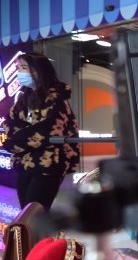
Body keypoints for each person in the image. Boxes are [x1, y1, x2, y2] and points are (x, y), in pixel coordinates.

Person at [1, 52, 80, 211]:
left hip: (48, 164)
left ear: (37, 71)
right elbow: (9, 124)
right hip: (24, 164)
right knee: (25, 213)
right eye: (18, 68)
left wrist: (17, 139)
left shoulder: (55, 98)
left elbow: (49, 131)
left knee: (35, 214)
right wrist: (24, 136)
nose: (19, 72)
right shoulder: (24, 98)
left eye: (24, 68)